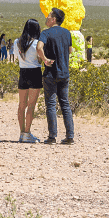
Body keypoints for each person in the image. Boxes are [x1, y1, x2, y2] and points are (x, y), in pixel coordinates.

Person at [37, 8, 75, 145]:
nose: (46, 18)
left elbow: (39, 47)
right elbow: (70, 50)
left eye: (48, 16)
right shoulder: (67, 33)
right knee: (65, 104)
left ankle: (52, 136)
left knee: (51, 105)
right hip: (64, 73)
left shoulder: (46, 33)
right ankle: (70, 136)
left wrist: (45, 59)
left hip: (50, 73)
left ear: (53, 19)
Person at [16, 19, 44, 143]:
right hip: (35, 73)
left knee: (22, 105)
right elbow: (39, 61)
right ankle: (27, 133)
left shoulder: (17, 42)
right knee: (31, 106)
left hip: (23, 72)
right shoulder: (37, 43)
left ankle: (22, 133)